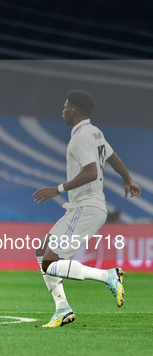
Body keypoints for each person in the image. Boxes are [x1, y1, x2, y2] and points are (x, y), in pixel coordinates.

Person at [33, 90, 141, 328]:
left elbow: (91, 171)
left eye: (65, 106)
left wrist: (57, 188)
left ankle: (109, 276)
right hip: (79, 207)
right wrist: (128, 180)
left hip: (86, 206)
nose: (62, 111)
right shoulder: (95, 132)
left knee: (50, 263)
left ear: (73, 110)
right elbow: (114, 159)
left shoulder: (81, 137)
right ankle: (62, 309)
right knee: (42, 251)